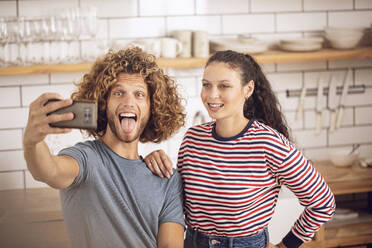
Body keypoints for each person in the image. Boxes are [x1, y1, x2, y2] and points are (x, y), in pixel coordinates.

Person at [145, 50, 336, 248]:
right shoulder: (193, 139)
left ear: (248, 89)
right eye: (206, 85)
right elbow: (179, 201)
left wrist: (285, 246)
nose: (212, 94)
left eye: (224, 86)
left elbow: (323, 202)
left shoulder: (268, 143)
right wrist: (153, 165)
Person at [23, 47, 186, 248]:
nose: (128, 102)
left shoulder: (167, 178)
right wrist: (32, 142)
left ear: (153, 107)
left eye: (139, 94)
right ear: (103, 103)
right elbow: (48, 171)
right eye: (118, 93)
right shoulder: (85, 159)